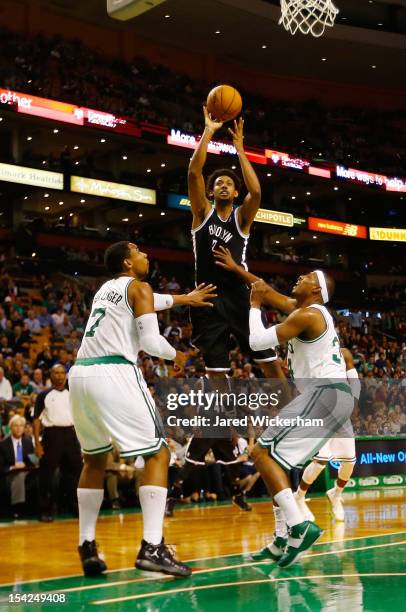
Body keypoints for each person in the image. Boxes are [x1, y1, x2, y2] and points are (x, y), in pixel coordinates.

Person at [68, 241, 216, 578]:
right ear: (127, 262)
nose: (146, 255)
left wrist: (183, 299)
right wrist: (176, 356)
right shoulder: (140, 287)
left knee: (94, 460)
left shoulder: (106, 289)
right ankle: (152, 546)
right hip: (115, 373)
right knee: (158, 455)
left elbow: (150, 301)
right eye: (139, 252)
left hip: (80, 374)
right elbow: (149, 342)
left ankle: (87, 545)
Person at [166, 108, 283, 516]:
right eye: (219, 182)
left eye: (227, 183)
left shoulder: (242, 218)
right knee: (217, 379)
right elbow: (193, 174)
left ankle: (293, 409)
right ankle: (222, 423)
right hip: (208, 300)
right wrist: (207, 132)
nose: (221, 185)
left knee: (269, 364)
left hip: (239, 298)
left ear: (233, 193)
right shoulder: (199, 216)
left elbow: (258, 193)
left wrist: (240, 150)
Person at [214, 247, 354, 567]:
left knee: (262, 453)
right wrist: (238, 270)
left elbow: (257, 342)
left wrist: (253, 305)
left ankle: (299, 526)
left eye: (305, 277)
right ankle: (282, 538)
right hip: (327, 397)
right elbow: (267, 289)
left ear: (316, 289)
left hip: (325, 394)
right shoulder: (302, 309)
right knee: (272, 459)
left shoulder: (307, 314)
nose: (298, 278)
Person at [295, 348, 360, 522]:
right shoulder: (310, 355)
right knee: (320, 461)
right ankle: (299, 497)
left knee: (349, 462)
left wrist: (354, 401)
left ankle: (336, 494)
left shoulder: (344, 353)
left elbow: (354, 380)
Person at [33, 364, 83, 522]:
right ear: (51, 375)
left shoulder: (73, 394)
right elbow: (36, 420)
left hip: (70, 434)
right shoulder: (43, 395)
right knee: (46, 474)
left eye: (62, 373)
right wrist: (37, 443)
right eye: (56, 373)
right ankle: (45, 510)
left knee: (75, 472)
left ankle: (75, 507)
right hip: (51, 435)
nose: (60, 376)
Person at [0, 415, 38, 519]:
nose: (19, 428)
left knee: (39, 475)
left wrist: (28, 464)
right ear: (10, 427)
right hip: (9, 473)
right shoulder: (3, 444)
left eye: (21, 426)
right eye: (15, 426)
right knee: (19, 475)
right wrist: (12, 467)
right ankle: (18, 508)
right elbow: (1, 465)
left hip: (27, 471)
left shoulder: (28, 442)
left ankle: (40, 508)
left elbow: (32, 461)